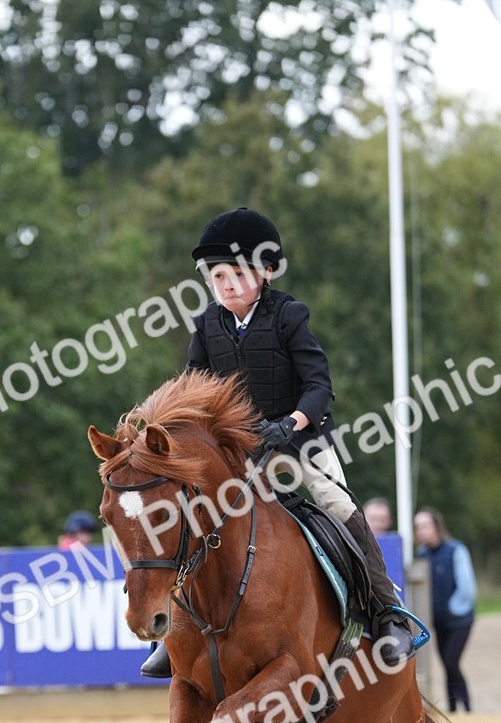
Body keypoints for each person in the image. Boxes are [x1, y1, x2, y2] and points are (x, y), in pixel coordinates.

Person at [142, 206, 413, 678]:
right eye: (217, 276)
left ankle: (387, 612)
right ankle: (177, 630)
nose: (226, 285)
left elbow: (319, 386)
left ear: (265, 272)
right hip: (242, 450)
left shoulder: (289, 315)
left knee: (335, 502)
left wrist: (290, 424)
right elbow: (190, 391)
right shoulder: (206, 325)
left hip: (301, 438)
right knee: (193, 514)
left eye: (237, 274)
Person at [414, 507, 476, 712]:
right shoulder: (422, 554)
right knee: (447, 665)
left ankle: (467, 707)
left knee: (451, 661)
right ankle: (453, 708)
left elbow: (467, 588)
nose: (421, 531)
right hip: (439, 622)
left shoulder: (455, 550)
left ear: (436, 526)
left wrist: (451, 609)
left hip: (460, 621)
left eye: (425, 526)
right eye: (418, 527)